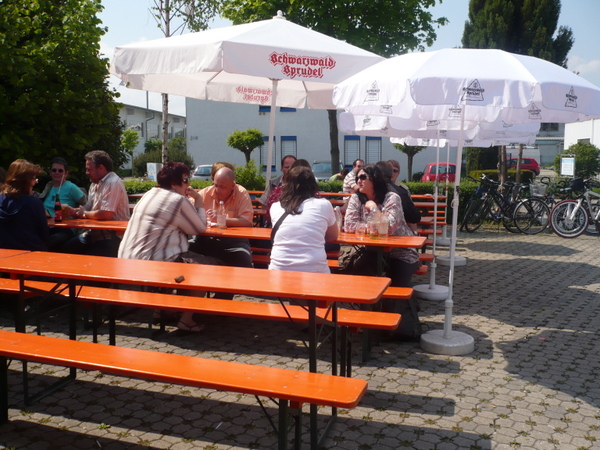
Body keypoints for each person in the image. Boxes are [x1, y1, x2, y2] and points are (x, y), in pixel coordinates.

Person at [119, 161, 212, 332]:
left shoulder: (149, 194)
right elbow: (199, 228)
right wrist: (199, 200)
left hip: (126, 261)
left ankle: (161, 310)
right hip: (150, 264)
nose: (188, 184)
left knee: (175, 254)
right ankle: (187, 320)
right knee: (207, 268)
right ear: (174, 183)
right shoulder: (177, 200)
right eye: (185, 180)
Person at [344, 164, 421, 338]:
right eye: (357, 178)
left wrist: (373, 208)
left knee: (395, 287)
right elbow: (349, 225)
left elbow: (390, 228)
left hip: (401, 252)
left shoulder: (392, 198)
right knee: (360, 273)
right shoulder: (356, 198)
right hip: (374, 250)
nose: (358, 181)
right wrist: (373, 227)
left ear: (374, 179)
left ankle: (397, 328)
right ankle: (366, 320)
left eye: (363, 177)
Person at [190, 166, 253, 299]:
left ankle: (221, 299)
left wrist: (222, 219)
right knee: (184, 253)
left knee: (243, 260)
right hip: (207, 239)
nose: (217, 190)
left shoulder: (241, 193)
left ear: (232, 186)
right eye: (216, 185)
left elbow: (247, 221)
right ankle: (188, 301)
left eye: (222, 187)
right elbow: (189, 209)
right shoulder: (206, 193)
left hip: (233, 241)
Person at [269, 165, 339, 274]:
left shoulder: (276, 207)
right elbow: (333, 236)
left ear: (287, 185)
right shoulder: (324, 205)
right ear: (313, 185)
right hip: (315, 271)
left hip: (278, 271)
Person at [63, 150, 130, 257]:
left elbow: (106, 214)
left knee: (83, 257)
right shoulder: (95, 184)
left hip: (114, 237)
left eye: (89, 169)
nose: (86, 173)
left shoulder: (113, 182)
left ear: (101, 168)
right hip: (96, 235)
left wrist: (84, 214)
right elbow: (88, 207)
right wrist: (74, 211)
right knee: (64, 248)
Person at [38, 157, 87, 251]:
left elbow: (86, 204)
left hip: (65, 228)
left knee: (51, 241)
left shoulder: (71, 187)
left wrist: (75, 211)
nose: (57, 173)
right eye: (54, 170)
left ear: (66, 173)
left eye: (60, 170)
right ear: (50, 172)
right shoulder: (49, 186)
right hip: (47, 227)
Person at [0, 159, 49, 251]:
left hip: (4, 254)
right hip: (32, 253)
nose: (36, 182)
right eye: (34, 178)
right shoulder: (34, 203)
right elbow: (44, 234)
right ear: (25, 181)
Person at [380, 160, 422, 231]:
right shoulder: (400, 192)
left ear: (398, 173)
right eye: (390, 170)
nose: (392, 173)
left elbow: (412, 213)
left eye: (394, 171)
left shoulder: (403, 189)